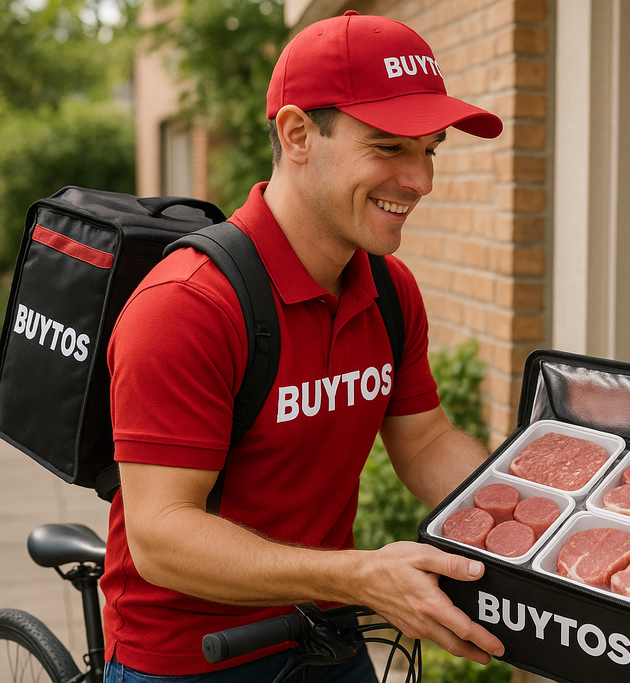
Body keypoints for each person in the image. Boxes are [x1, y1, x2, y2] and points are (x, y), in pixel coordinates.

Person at [100, 11, 506, 682]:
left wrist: (540, 522)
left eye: (429, 149)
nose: (421, 181)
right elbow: (161, 537)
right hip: (191, 661)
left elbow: (427, 441)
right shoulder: (188, 305)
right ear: (296, 134)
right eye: (389, 146)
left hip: (326, 636)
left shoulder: (388, 288)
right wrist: (360, 575)